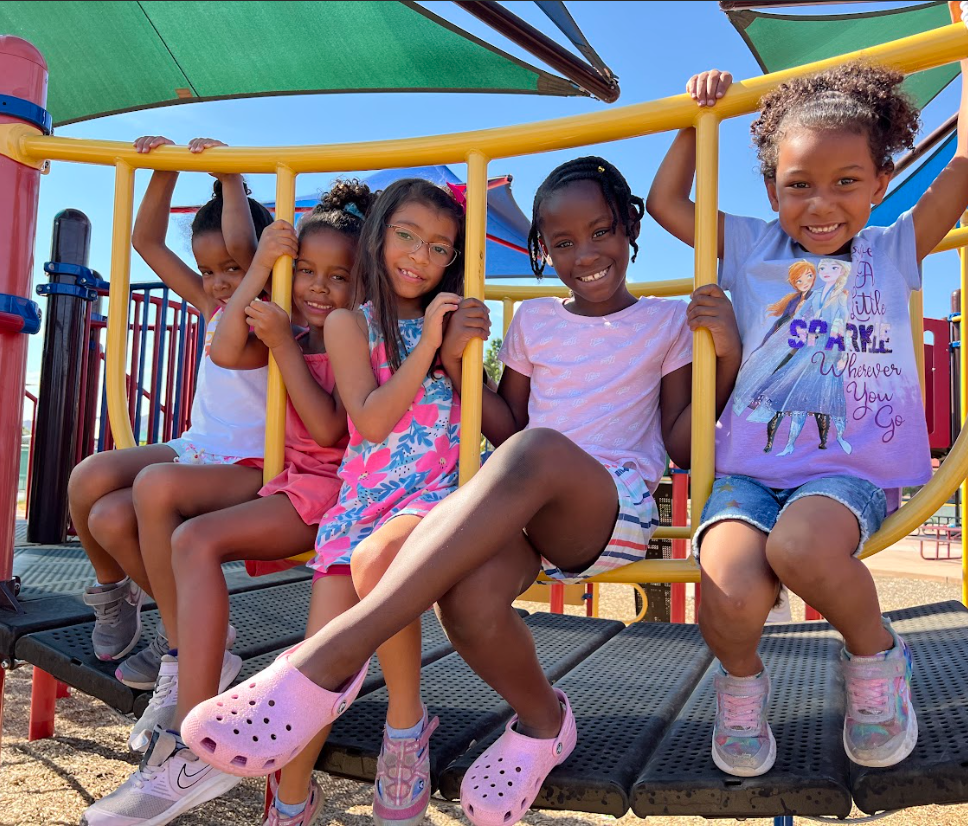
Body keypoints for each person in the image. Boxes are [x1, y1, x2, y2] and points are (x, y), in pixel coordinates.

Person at [182, 156, 740, 826]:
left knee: (536, 452)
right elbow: (505, 429)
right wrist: (458, 367)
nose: (583, 253)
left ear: (628, 227)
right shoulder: (533, 320)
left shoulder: (666, 320)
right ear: (542, 249)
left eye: (600, 233)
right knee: (467, 603)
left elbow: (682, 444)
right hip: (524, 513)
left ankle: (323, 662)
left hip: (605, 509)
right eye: (561, 243)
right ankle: (542, 723)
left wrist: (724, 354)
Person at [645, 0, 968, 778]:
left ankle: (876, 661)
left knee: (801, 548)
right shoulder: (747, 243)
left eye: (845, 181)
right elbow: (666, 205)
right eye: (797, 184)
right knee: (730, 587)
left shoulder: (893, 247)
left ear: (880, 182)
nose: (820, 204)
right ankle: (739, 688)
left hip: (843, 473)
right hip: (746, 471)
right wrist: (694, 119)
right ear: (772, 188)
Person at [78, 181, 373, 826]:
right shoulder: (278, 321)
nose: (319, 289)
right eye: (310, 274)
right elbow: (221, 342)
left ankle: (191, 733)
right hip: (285, 478)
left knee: (180, 521)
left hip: (327, 488)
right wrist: (263, 277)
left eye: (340, 277)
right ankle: (191, 716)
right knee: (165, 528)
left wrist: (235, 186)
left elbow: (327, 434)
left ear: (364, 282)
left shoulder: (349, 337)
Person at [67, 136, 271, 676]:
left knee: (142, 490)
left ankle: (184, 644)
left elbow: (248, 252)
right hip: (198, 448)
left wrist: (232, 176)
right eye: (208, 271)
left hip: (251, 466)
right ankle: (121, 596)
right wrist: (162, 169)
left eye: (230, 268)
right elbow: (147, 242)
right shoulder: (212, 303)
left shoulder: (268, 311)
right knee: (97, 492)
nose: (219, 282)